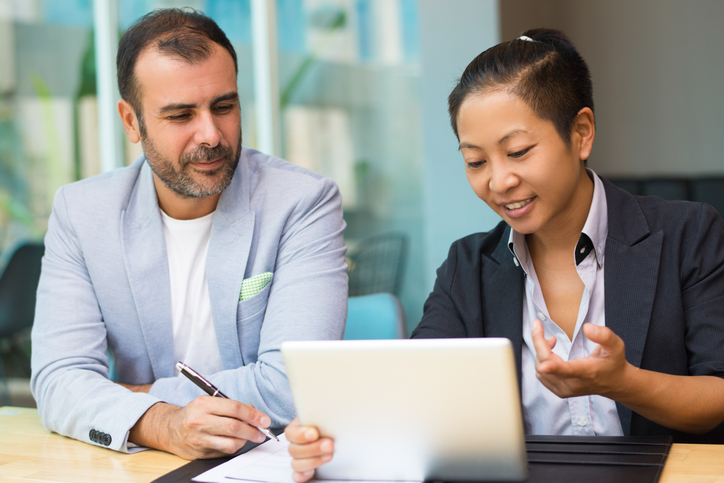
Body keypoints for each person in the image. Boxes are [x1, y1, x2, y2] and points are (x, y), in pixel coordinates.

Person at [284, 28, 724, 482]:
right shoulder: (467, 267)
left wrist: (623, 383)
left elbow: (718, 396)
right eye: (476, 162)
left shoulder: (688, 234)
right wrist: (327, 436)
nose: (498, 181)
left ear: (581, 133)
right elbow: (415, 398)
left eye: (517, 152)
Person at [30, 8, 348, 459]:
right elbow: (57, 378)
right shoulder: (82, 214)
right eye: (181, 115)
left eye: (224, 106)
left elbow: (290, 386)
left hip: (267, 459)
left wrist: (127, 399)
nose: (211, 134)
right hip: (143, 465)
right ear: (131, 122)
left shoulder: (302, 202)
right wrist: (161, 424)